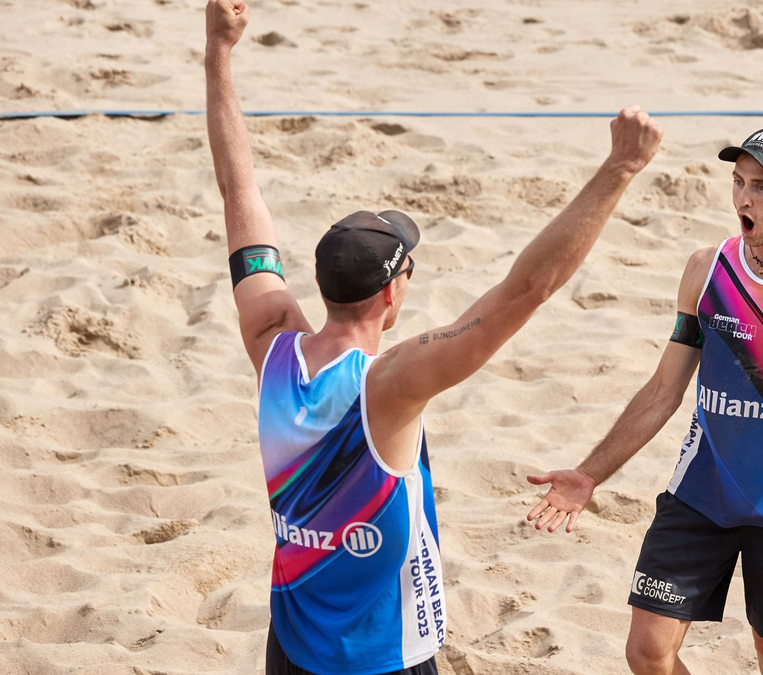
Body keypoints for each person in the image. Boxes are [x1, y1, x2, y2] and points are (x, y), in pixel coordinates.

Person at [203, 2, 663, 674]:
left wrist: (219, 52)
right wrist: (620, 168)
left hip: (292, 647)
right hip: (381, 656)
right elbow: (525, 290)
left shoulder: (270, 339)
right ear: (393, 291)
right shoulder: (390, 385)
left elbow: (236, 187)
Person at [526, 125, 763, 675]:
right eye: (737, 182)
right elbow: (665, 389)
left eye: (761, 186)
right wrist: (591, 474)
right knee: (647, 651)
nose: (743, 198)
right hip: (701, 493)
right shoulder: (708, 269)